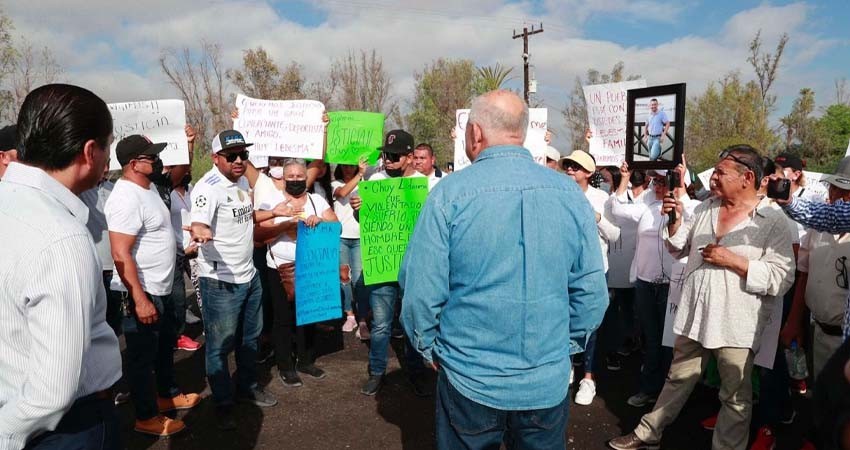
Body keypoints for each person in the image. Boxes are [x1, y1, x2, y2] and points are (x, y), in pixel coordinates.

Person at [401, 90, 608, 450]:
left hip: (469, 376)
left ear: (476, 133)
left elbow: (421, 290)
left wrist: (429, 348)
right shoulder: (569, 193)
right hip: (545, 378)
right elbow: (592, 292)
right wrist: (562, 347)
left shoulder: (449, 194)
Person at [610, 144, 795, 450]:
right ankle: (648, 434)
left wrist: (735, 261)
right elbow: (679, 247)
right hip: (695, 314)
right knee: (677, 379)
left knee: (735, 397)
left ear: (747, 177)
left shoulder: (772, 219)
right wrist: (674, 220)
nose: (713, 178)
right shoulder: (708, 206)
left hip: (737, 324)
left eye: (721, 172)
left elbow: (783, 276)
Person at [0, 84, 122, 449]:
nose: (107, 160)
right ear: (89, 151)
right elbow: (52, 391)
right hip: (61, 428)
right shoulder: (61, 238)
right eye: (107, 147)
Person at [106, 135, 201, 436]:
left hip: (162, 287)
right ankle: (146, 416)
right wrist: (139, 297)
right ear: (133, 164)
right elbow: (120, 253)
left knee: (162, 348)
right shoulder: (125, 197)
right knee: (141, 357)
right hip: (142, 291)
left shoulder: (149, 188)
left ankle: (165, 395)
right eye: (151, 157)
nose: (157, 160)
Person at [189, 129, 279, 430]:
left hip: (248, 276)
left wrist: (273, 213)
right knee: (219, 346)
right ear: (216, 158)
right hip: (220, 281)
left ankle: (247, 387)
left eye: (244, 154)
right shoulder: (207, 188)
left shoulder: (240, 181)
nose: (240, 160)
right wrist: (200, 230)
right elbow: (198, 222)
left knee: (249, 338)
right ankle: (223, 403)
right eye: (232, 156)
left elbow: (244, 216)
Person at [608, 163, 698, 409]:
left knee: (671, 342)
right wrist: (624, 178)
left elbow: (695, 220)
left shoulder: (690, 208)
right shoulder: (646, 209)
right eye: (656, 182)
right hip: (646, 284)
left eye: (665, 181)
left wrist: (680, 193)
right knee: (651, 338)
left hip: (674, 285)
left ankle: (671, 396)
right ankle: (649, 388)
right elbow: (617, 207)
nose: (659, 186)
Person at [350, 129, 430, 397]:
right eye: (386, 154)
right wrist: (358, 210)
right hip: (382, 266)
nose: (389, 160)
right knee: (382, 325)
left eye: (395, 156)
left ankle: (416, 372)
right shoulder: (375, 181)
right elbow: (367, 225)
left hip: (413, 269)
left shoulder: (424, 185)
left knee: (413, 325)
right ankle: (377, 372)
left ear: (410, 157)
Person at [254, 157, 338, 388]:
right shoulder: (272, 202)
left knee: (309, 315)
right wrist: (284, 225)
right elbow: (258, 237)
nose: (295, 180)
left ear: (306, 178)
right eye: (290, 176)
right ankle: (285, 366)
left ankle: (305, 360)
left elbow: (335, 226)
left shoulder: (316, 200)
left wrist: (320, 220)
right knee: (282, 318)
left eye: (299, 176)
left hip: (311, 268)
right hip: (281, 268)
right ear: (283, 178)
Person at [781, 156, 850, 380]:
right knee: (825, 405)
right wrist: (794, 322)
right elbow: (805, 273)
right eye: (836, 189)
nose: (840, 197)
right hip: (819, 333)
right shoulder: (819, 225)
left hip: (845, 339)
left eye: (847, 192)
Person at [560, 150, 620, 405]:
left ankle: (589, 377)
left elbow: (616, 235)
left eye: (576, 166)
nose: (570, 170)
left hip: (595, 270)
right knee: (564, 321)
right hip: (564, 269)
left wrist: (594, 216)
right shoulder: (559, 194)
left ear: (588, 173)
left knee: (592, 325)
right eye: (568, 165)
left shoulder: (602, 198)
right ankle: (569, 366)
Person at [332, 160, 369, 337]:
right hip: (341, 238)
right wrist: (360, 174)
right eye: (345, 165)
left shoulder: (365, 184)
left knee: (359, 280)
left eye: (351, 165)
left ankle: (362, 319)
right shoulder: (335, 184)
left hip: (360, 237)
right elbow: (343, 192)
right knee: (344, 278)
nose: (348, 168)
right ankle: (350, 314)